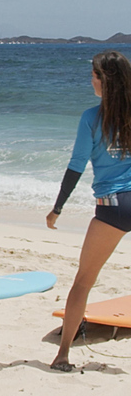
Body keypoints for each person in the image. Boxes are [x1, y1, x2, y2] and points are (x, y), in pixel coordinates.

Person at [47, 50, 131, 372]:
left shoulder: (90, 118)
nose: (90, 80)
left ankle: (63, 355)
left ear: (105, 81)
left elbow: (76, 167)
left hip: (112, 208)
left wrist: (57, 208)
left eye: (94, 75)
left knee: (83, 282)